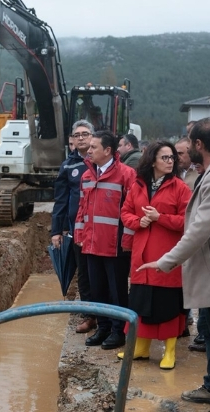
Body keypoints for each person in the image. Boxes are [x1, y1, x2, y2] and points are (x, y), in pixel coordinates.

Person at [137, 117, 210, 412]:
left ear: (199, 145)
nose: (182, 153)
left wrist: (165, 262)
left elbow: (199, 230)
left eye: (188, 145)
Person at [118, 141, 191, 369]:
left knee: (167, 305)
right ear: (152, 161)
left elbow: (188, 221)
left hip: (167, 256)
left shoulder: (180, 188)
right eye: (165, 158)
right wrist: (138, 221)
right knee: (140, 303)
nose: (170, 162)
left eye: (172, 158)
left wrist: (161, 218)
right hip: (141, 255)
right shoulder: (138, 185)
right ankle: (140, 348)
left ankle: (169, 352)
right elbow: (125, 212)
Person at [74, 131, 135, 350]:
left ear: (108, 150)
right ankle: (103, 327)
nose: (88, 151)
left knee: (116, 290)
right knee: (97, 289)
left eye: (93, 147)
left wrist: (127, 240)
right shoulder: (87, 176)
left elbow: (132, 210)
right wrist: (80, 235)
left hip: (115, 245)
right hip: (91, 244)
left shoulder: (126, 175)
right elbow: (82, 210)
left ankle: (119, 331)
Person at [52, 120, 96, 333]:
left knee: (103, 273)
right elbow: (60, 201)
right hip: (77, 229)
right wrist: (56, 231)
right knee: (84, 274)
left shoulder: (101, 162)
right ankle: (89, 315)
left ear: (92, 137)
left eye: (85, 134)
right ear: (72, 139)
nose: (81, 138)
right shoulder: (68, 166)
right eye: (77, 135)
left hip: (101, 229)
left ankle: (110, 316)